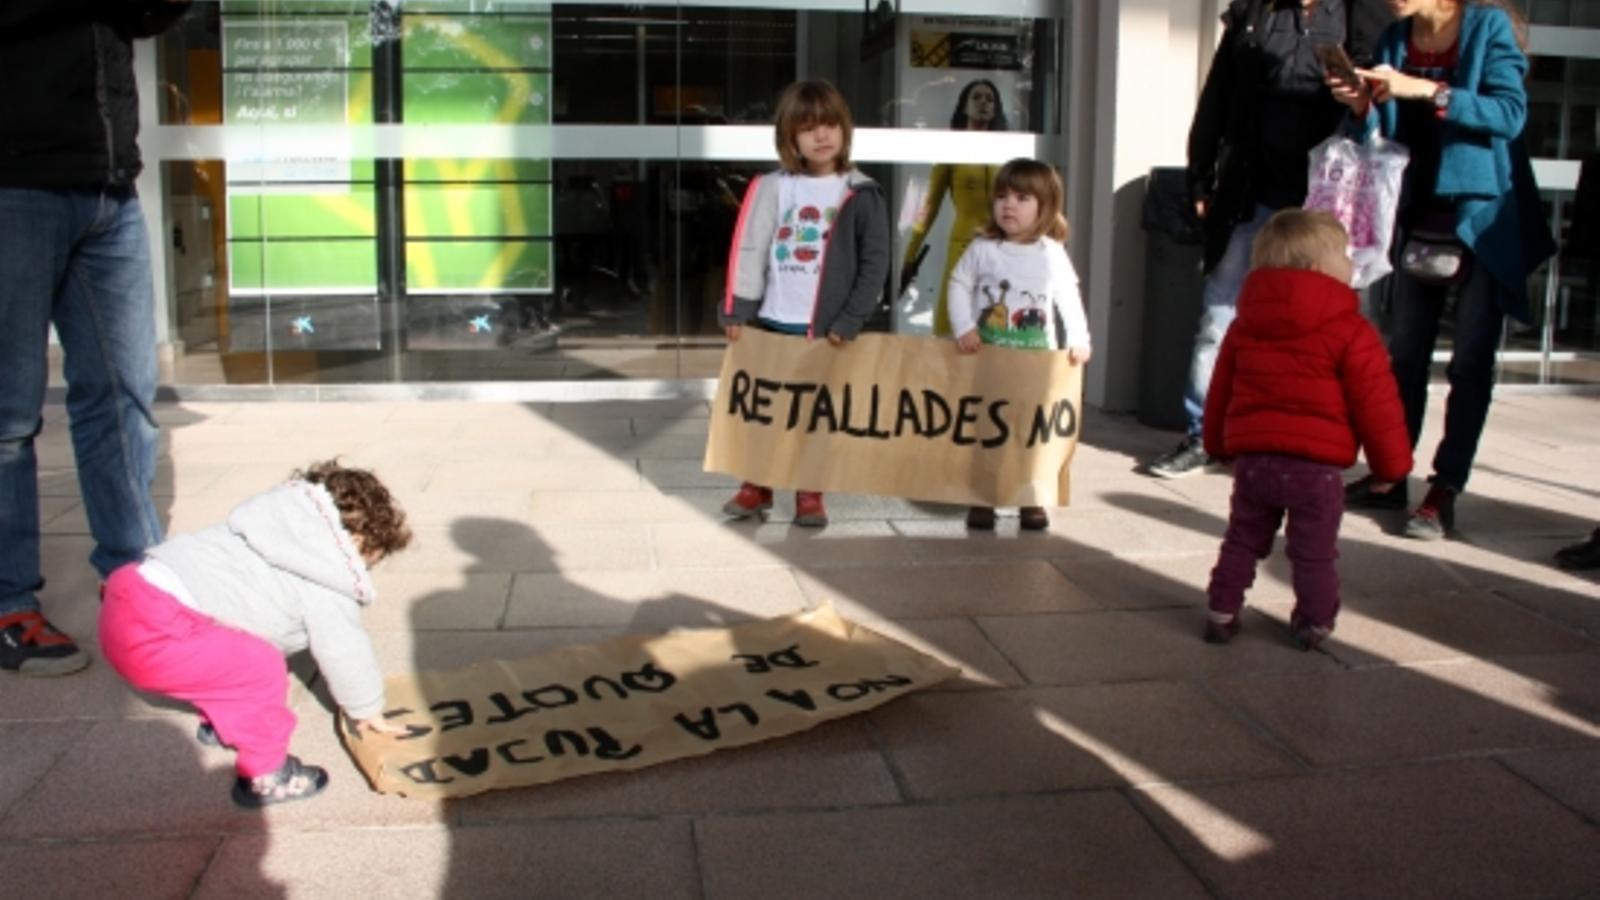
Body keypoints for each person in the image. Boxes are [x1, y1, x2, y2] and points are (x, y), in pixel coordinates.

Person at [0, 0, 191, 677]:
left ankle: (135, 580)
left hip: (109, 185)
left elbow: (146, 18)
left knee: (122, 398)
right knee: (10, 417)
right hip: (15, 181)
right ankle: (9, 604)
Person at [1330, 0, 1556, 540]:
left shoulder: (1487, 28)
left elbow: (1509, 114)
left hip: (1480, 218)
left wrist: (1428, 90)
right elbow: (1384, 129)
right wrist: (1364, 105)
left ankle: (1445, 488)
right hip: (1417, 213)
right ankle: (1391, 473)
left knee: (1470, 364)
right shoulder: (1395, 38)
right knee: (1404, 355)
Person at [98, 460, 412, 807]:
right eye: (368, 562)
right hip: (159, 633)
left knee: (224, 650)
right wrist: (366, 709)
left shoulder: (268, 524)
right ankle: (265, 774)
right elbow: (344, 649)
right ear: (356, 541)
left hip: (126, 595)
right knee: (258, 666)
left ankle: (222, 722)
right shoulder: (327, 572)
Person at [1148, 0, 1356, 480]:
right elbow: (1217, 98)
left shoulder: (1352, 14)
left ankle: (1306, 440)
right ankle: (1203, 434)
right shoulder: (1255, 15)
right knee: (1219, 317)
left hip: (1325, 197)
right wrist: (1200, 177)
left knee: (1321, 327)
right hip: (1250, 191)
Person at [1201, 210, 1412, 649]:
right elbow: (1377, 405)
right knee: (1313, 552)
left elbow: (1221, 389)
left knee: (1242, 539)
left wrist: (1216, 444)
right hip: (1316, 472)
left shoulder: (1245, 324)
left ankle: (1221, 610)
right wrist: (1391, 467)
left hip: (1255, 464)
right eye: (1346, 254)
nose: (1352, 264)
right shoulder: (1351, 329)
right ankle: (1313, 622)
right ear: (1319, 268)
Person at [717, 79, 891, 528]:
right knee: (765, 411)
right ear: (789, 136)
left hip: (826, 329)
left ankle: (810, 492)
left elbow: (876, 265)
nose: (821, 136)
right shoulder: (773, 187)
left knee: (815, 414)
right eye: (809, 127)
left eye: (830, 124)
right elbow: (749, 249)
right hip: (773, 321)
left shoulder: (861, 192)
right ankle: (757, 485)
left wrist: (852, 317)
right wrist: (738, 309)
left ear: (844, 130)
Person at [945, 159, 1092, 531]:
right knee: (985, 430)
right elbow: (958, 284)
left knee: (1030, 433)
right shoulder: (984, 248)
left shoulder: (1051, 253)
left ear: (1045, 205)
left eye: (1022, 197)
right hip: (988, 361)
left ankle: (1031, 499)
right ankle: (983, 498)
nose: (1008, 205)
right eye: (1001, 196)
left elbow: (1068, 298)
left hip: (1036, 366)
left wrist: (1078, 338)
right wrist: (963, 325)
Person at [901, 79, 1009, 337]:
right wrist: (910, 255)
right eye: (977, 97)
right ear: (964, 106)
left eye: (989, 99)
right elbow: (928, 207)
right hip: (963, 242)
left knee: (996, 311)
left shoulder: (1007, 149)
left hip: (1002, 243)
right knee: (951, 317)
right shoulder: (951, 150)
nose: (983, 103)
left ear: (996, 110)